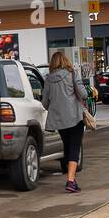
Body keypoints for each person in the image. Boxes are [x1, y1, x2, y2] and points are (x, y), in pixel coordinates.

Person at [42, 52, 88, 193]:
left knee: (67, 147)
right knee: (75, 147)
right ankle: (70, 181)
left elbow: (44, 103)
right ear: (65, 61)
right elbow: (84, 94)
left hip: (59, 121)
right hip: (74, 117)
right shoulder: (72, 74)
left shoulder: (48, 79)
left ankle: (72, 178)